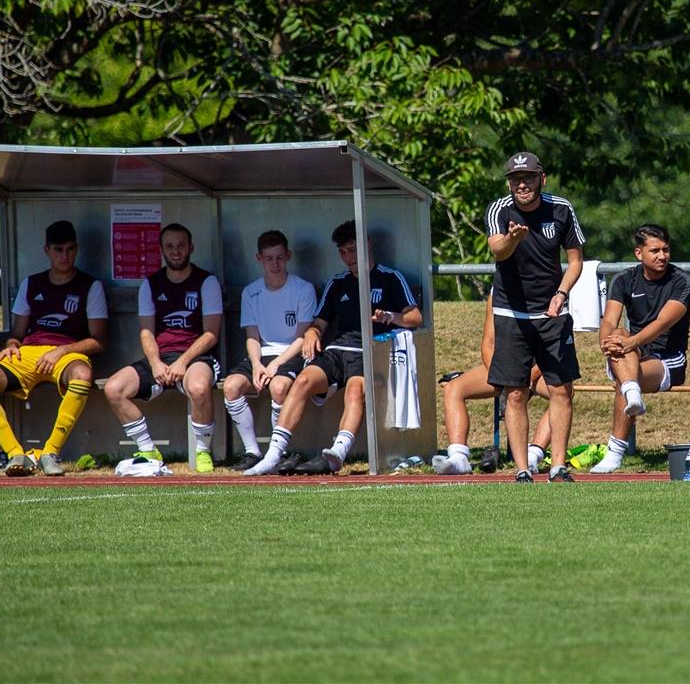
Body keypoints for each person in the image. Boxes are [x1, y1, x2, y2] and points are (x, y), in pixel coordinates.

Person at [243, 220, 422, 476]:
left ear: (367, 245)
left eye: (352, 249)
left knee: (354, 389)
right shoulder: (337, 283)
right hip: (337, 350)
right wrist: (312, 334)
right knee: (303, 380)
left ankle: (338, 451)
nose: (348, 257)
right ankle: (273, 454)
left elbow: (415, 317)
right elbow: (318, 323)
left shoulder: (391, 278)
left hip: (370, 352)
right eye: (343, 252)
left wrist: (390, 317)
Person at [0, 220, 108, 476]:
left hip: (67, 354)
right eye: (58, 249)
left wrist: (60, 351)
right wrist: (10, 345)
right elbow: (17, 334)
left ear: (77, 249)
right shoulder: (31, 284)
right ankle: (15, 453)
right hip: (29, 354)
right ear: (46, 250)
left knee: (83, 375)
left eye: (70, 249)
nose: (65, 255)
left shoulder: (90, 286)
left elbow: (98, 340)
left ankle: (50, 452)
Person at [485, 151, 584, 483]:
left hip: (552, 311)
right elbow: (497, 249)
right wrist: (512, 239)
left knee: (561, 389)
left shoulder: (561, 209)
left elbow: (575, 261)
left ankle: (557, 466)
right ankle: (522, 469)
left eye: (527, 178)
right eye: (515, 179)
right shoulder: (500, 209)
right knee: (515, 392)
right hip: (511, 312)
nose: (521, 184)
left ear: (542, 179)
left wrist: (561, 294)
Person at [104, 223, 224, 473]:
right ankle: (148, 449)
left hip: (196, 357)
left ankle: (202, 450)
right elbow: (146, 332)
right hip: (161, 357)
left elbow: (211, 333)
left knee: (199, 387)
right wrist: (156, 362)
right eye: (169, 246)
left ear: (191, 247)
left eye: (181, 245)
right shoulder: (150, 284)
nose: (176, 251)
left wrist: (183, 361)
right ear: (161, 250)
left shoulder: (206, 281)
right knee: (114, 388)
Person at [586, 224, 690, 473]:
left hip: (669, 359)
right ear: (639, 253)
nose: (662, 256)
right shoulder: (624, 279)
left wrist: (630, 343)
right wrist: (608, 344)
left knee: (624, 380)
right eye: (655, 250)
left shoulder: (683, 281)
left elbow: (662, 323)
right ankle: (632, 390)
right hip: (633, 355)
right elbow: (609, 322)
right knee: (618, 334)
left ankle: (614, 453)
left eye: (665, 250)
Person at [221, 230, 317, 471]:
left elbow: (301, 337)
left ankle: (278, 453)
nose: (275, 264)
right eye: (269, 259)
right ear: (259, 259)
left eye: (280, 258)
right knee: (231, 386)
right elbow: (252, 336)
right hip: (262, 356)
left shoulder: (303, 289)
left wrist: (275, 365)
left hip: (291, 354)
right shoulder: (250, 292)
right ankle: (253, 453)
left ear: (288, 256)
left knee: (279, 386)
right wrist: (257, 364)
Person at [432, 298, 549, 475]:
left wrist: (530, 376)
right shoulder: (497, 293)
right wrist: (499, 375)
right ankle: (458, 458)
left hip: (537, 366)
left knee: (563, 394)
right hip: (505, 365)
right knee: (453, 388)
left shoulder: (542, 286)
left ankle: (533, 454)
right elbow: (488, 343)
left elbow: (552, 345)